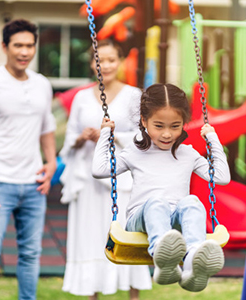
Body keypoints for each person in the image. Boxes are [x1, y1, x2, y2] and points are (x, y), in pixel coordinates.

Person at [92, 83, 231, 292]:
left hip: (175, 223)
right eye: (159, 126)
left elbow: (221, 177)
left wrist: (212, 138)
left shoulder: (188, 154)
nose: (167, 134)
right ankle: (162, 256)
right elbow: (100, 169)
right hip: (141, 219)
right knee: (157, 202)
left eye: (175, 126)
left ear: (184, 123)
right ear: (144, 121)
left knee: (192, 202)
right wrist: (105, 134)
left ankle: (193, 258)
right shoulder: (135, 152)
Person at [0, 19, 56, 300]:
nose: (24, 52)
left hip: (33, 184)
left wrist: (51, 163)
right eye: (18, 45)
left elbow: (47, 128)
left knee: (30, 254)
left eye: (30, 45)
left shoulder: (42, 84)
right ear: (5, 46)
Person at [59, 39, 152, 300]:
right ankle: (92, 293)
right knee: (90, 234)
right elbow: (69, 137)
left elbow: (143, 137)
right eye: (100, 60)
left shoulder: (134, 95)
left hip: (120, 177)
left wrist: (112, 135)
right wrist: (82, 137)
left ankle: (133, 294)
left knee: (125, 230)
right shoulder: (80, 97)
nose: (106, 66)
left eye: (112, 60)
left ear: (120, 62)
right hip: (88, 177)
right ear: (92, 63)